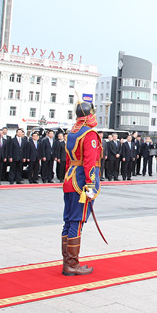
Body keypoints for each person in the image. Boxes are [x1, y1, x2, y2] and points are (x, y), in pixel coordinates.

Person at [61, 101, 102, 276]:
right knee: (77, 221)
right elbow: (90, 163)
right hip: (81, 183)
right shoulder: (90, 134)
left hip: (70, 179)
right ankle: (72, 264)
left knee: (69, 221)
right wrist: (90, 187)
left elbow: (69, 160)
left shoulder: (73, 132)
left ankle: (67, 261)